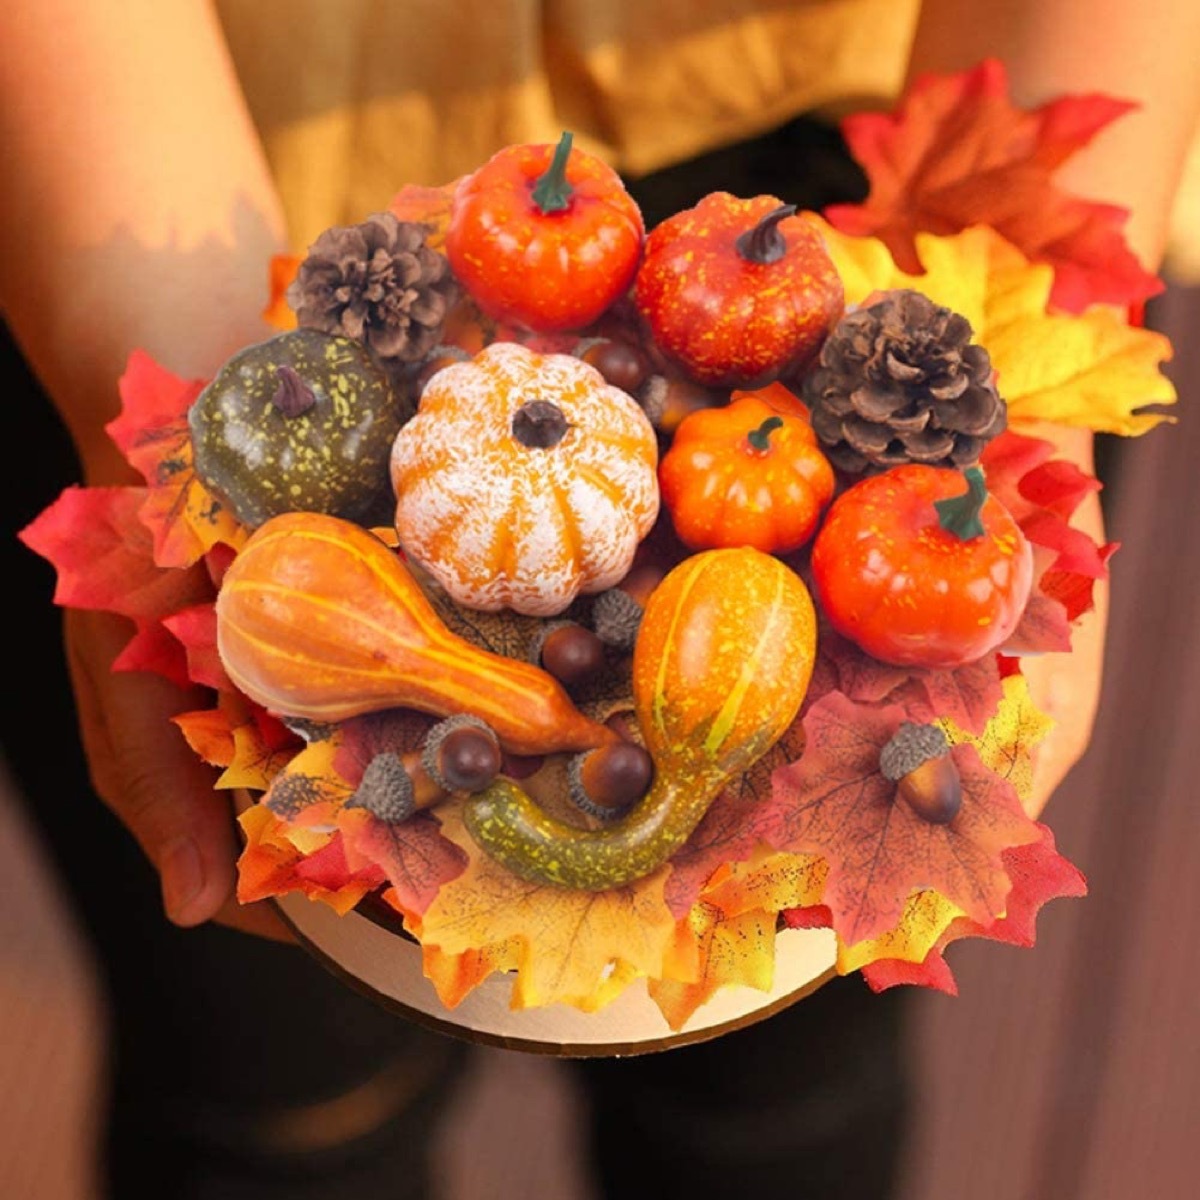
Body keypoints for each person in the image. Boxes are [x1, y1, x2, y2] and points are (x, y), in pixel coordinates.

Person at [2, 2, 1198, 1197]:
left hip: (841, 214)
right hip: (170, 190)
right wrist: (161, 372)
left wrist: (1027, 349)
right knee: (276, 1090)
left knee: (774, 1081)